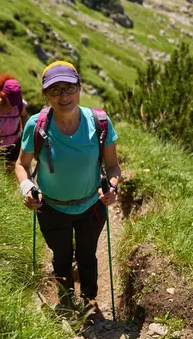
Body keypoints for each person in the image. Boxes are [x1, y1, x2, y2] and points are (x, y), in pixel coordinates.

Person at [15, 61, 121, 321]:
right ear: (45, 95)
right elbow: (22, 165)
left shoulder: (100, 122)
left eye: (70, 88)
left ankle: (88, 299)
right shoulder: (36, 125)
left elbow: (113, 166)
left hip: (91, 205)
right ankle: (65, 298)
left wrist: (113, 189)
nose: (64, 96)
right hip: (50, 207)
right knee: (60, 255)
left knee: (87, 255)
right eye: (56, 91)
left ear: (80, 88)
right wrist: (27, 188)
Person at [0, 73, 28, 162]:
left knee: (11, 167)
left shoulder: (21, 105)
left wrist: (25, 134)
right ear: (3, 95)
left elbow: (24, 117)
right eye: (11, 101)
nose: (14, 104)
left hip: (14, 142)